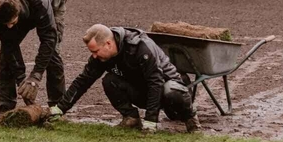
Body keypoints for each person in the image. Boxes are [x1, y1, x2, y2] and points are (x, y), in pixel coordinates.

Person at [50, 24, 200, 132]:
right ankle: (131, 118)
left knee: (171, 90)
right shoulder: (102, 56)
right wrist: (60, 109)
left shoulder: (141, 48)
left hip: (166, 91)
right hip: (143, 91)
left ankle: (191, 119)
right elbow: (83, 81)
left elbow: (156, 82)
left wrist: (151, 121)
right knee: (109, 81)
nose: (93, 56)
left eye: (96, 51)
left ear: (108, 43)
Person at [0, 0, 67, 113]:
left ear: (18, 12)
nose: (9, 27)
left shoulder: (40, 3)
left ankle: (58, 106)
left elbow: (48, 40)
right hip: (26, 4)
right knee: (6, 55)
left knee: (52, 54)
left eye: (12, 23)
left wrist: (35, 77)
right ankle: (5, 105)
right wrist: (22, 81)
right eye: (6, 25)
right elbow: (9, 46)